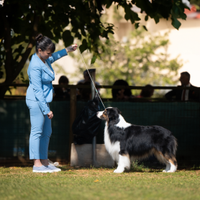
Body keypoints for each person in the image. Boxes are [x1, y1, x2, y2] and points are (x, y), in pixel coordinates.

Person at [26, 34, 77, 173]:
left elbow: (54, 57)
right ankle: (37, 165)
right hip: (37, 101)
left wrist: (68, 49)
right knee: (37, 131)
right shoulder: (35, 65)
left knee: (47, 131)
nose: (50, 56)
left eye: (50, 53)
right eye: (48, 53)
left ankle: (44, 162)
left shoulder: (45, 59)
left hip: (44, 101)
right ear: (40, 50)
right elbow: (37, 90)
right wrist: (46, 110)